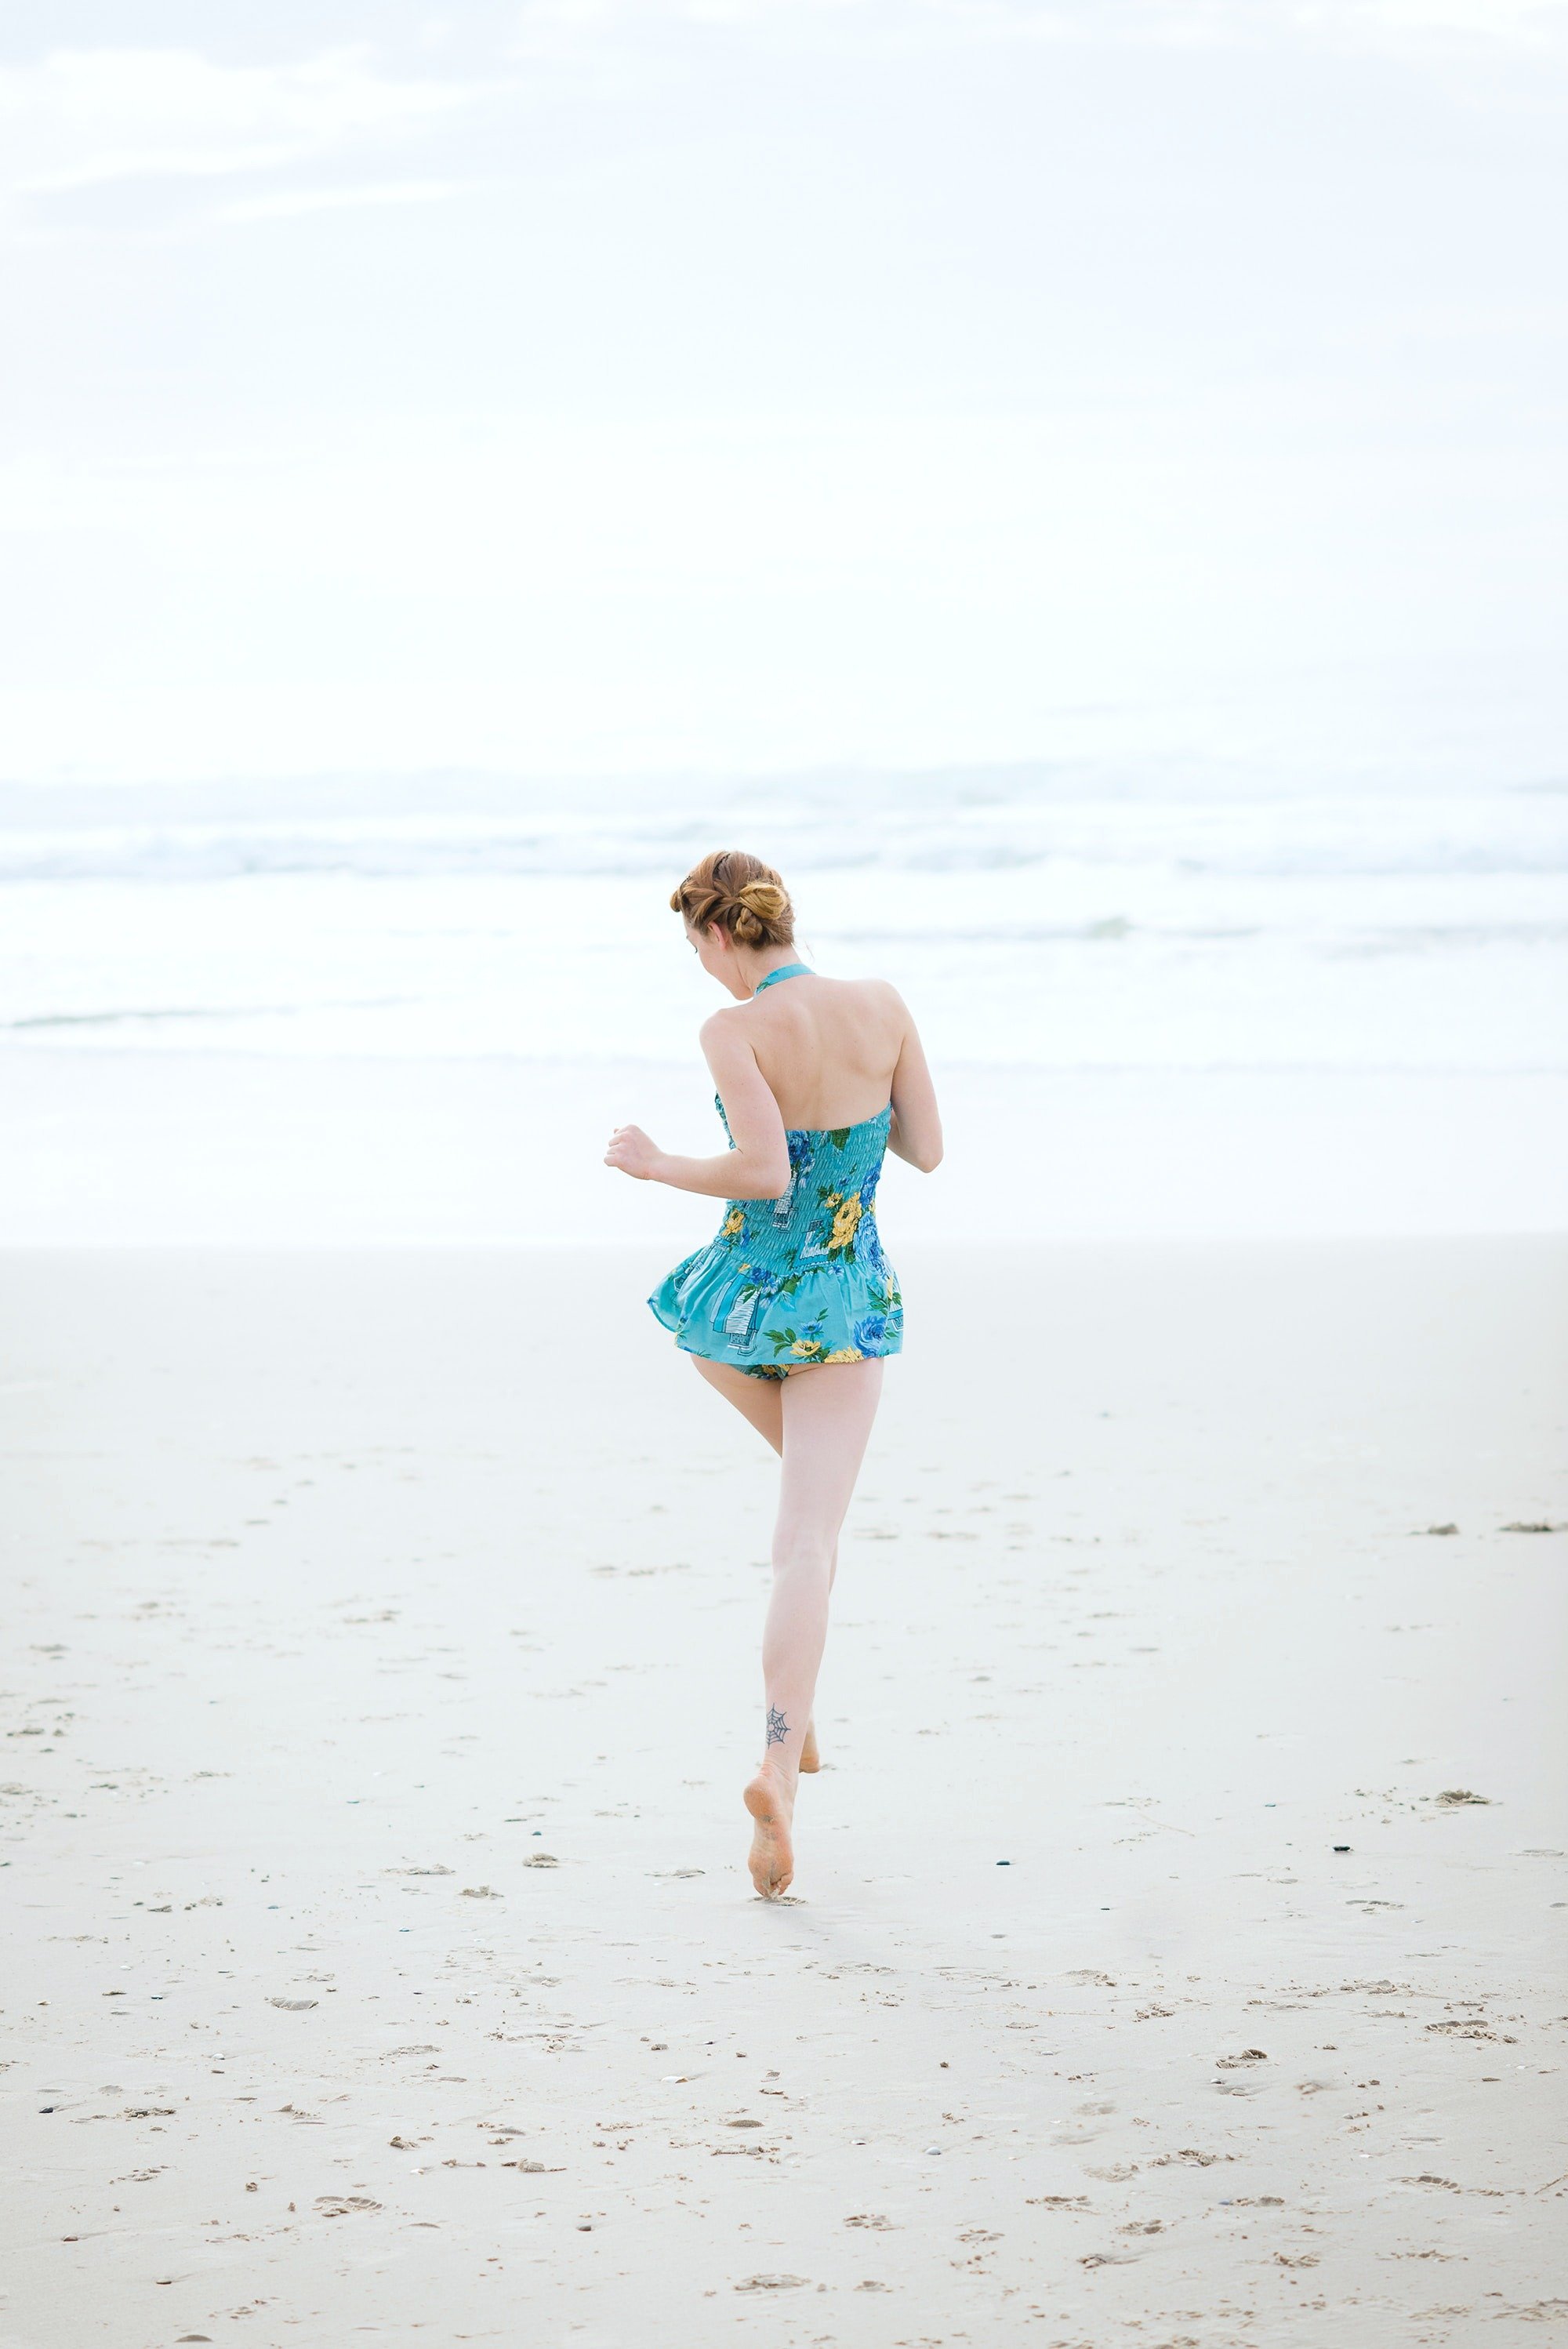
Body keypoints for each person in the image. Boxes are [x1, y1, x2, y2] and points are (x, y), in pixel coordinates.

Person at [604, 849, 943, 1897]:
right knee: (810, 1544)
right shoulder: (882, 1003)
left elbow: (760, 1171)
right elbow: (925, 1149)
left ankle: (790, 1741)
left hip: (737, 1310)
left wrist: (656, 1161)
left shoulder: (733, 1029)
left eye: (694, 949)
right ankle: (779, 1758)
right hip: (843, 1302)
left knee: (805, 1531)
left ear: (715, 936)